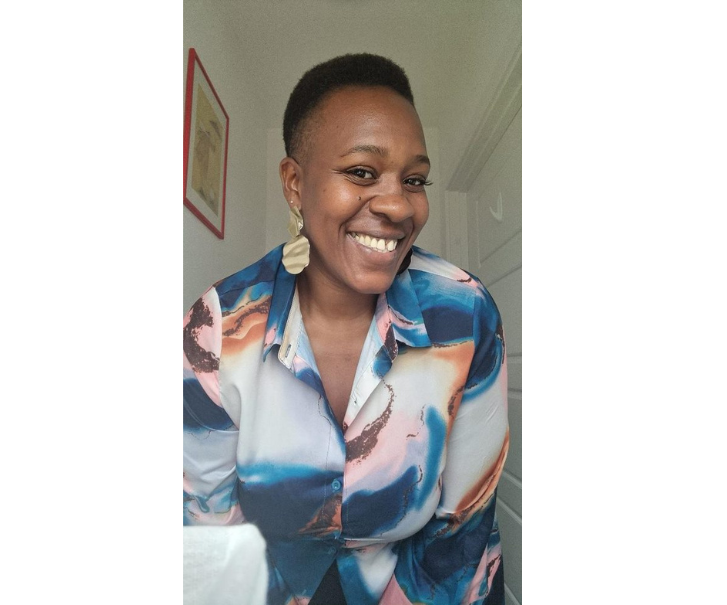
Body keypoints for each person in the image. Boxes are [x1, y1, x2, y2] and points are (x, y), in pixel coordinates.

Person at [184, 53, 509, 605]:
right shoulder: (221, 328)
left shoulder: (463, 313)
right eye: (362, 172)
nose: (397, 205)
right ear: (294, 184)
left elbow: (463, 519)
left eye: (414, 179)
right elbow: (204, 518)